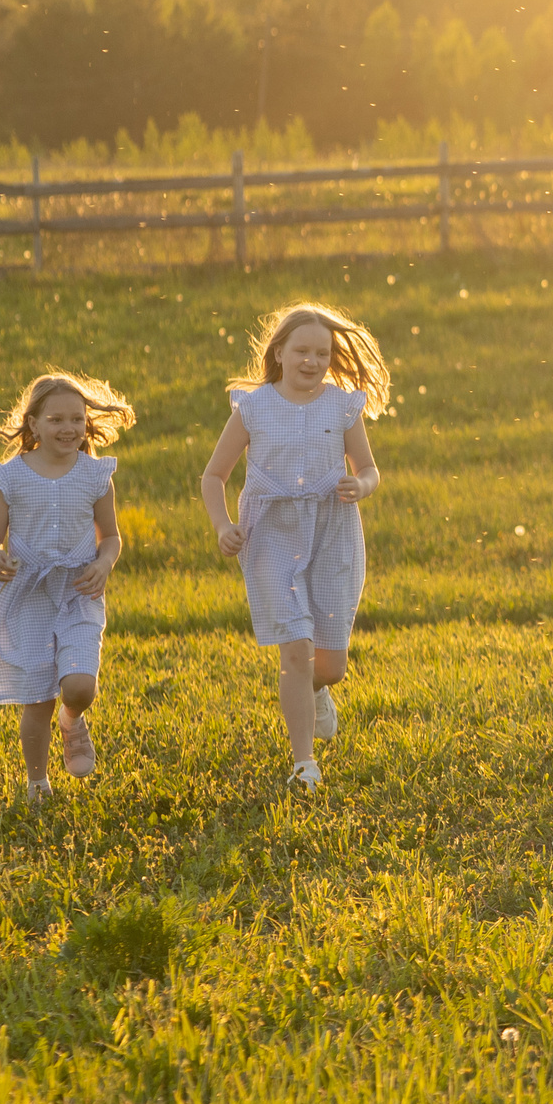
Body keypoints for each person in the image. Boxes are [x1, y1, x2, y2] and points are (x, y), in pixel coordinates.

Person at [198, 303, 386, 787]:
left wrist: (360, 486)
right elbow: (213, 476)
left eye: (321, 352)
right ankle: (304, 763)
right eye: (301, 350)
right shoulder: (254, 406)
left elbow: (369, 468)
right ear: (278, 351)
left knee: (330, 665)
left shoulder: (341, 405)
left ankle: (316, 691)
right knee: (295, 652)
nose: (312, 360)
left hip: (331, 534)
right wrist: (222, 527)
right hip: (271, 537)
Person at [0, 371, 133, 801]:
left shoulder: (96, 474)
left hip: (79, 591)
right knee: (37, 699)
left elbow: (112, 536)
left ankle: (73, 719)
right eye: (56, 420)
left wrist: (104, 563)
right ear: (33, 425)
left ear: (87, 423)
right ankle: (37, 783)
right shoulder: (10, 477)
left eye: (77, 420)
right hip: (26, 596)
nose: (69, 429)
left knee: (80, 686)